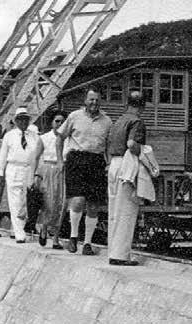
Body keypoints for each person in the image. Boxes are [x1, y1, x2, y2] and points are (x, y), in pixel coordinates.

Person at [56, 89, 112, 255]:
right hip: (77, 159)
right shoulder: (74, 116)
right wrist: (59, 160)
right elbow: (60, 138)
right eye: (91, 99)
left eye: (97, 100)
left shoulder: (107, 121)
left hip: (97, 161)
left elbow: (109, 146)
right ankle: (73, 237)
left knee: (93, 205)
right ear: (85, 100)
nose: (94, 103)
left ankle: (87, 243)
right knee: (78, 200)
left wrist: (109, 164)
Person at [106, 90, 147, 266]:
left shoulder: (119, 121)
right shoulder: (136, 121)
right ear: (143, 106)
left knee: (114, 210)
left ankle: (113, 251)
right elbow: (131, 144)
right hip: (127, 164)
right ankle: (121, 255)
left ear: (127, 103)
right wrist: (143, 152)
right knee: (126, 211)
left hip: (114, 164)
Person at [0, 106, 40, 244]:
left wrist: (38, 172)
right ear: (15, 121)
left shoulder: (34, 136)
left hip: (29, 169)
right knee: (15, 201)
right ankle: (19, 232)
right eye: (20, 119)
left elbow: (39, 155)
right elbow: (3, 154)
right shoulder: (9, 136)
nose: (23, 122)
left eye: (25, 119)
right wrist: (0, 171)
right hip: (14, 169)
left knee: (26, 201)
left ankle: (22, 228)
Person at [32, 112, 66, 249]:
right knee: (48, 203)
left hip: (63, 171)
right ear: (52, 122)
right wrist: (35, 175)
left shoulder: (68, 138)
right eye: (57, 121)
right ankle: (44, 228)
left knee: (61, 205)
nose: (60, 124)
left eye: (62, 122)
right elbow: (36, 157)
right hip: (47, 170)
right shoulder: (44, 138)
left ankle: (56, 238)